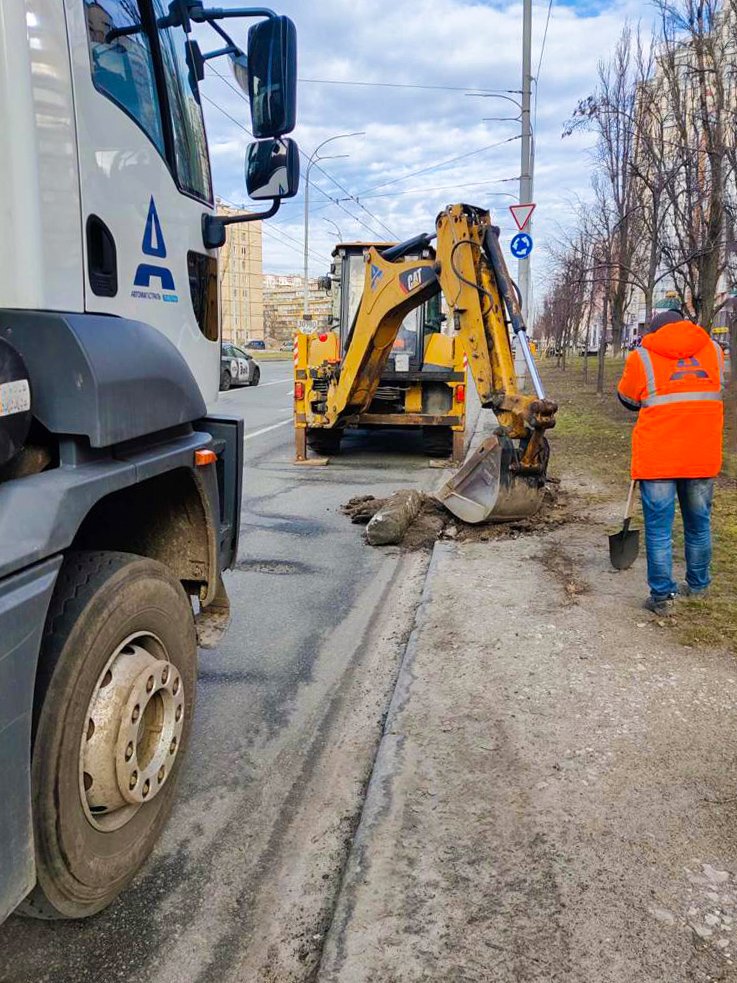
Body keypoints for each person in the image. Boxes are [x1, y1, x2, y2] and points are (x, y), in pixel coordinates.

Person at [617, 309, 725, 615]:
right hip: (701, 455)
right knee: (699, 525)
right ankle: (699, 585)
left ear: (654, 332)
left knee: (659, 531)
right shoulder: (715, 351)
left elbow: (627, 399)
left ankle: (662, 598)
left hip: (658, 459)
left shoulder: (641, 357)